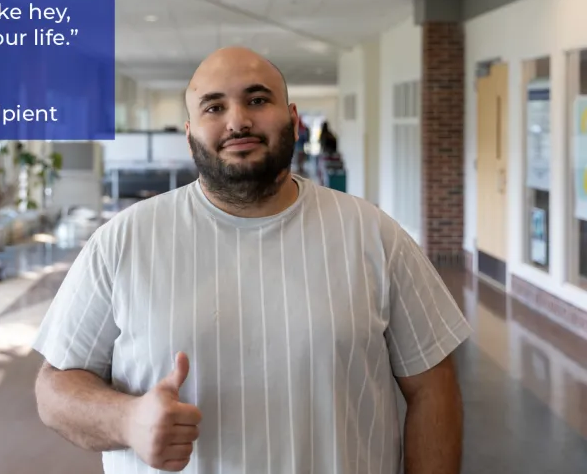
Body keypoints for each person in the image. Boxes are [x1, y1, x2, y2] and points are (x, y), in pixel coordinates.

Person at [32, 46, 471, 473]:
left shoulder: (373, 234)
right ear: (189, 135)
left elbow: (433, 387)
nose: (238, 121)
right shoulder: (122, 242)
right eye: (213, 107)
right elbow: (54, 388)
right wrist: (126, 420)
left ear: (294, 120)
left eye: (257, 100)